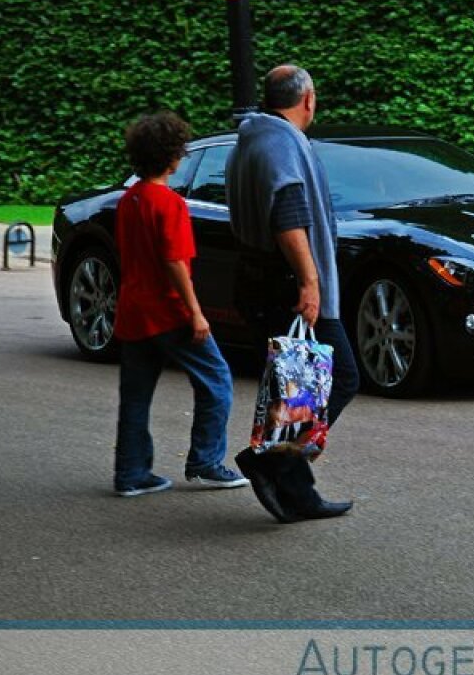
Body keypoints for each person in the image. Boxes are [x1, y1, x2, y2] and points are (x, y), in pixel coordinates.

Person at [225, 65, 360, 522]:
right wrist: (310, 279)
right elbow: (288, 211)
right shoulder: (281, 142)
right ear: (308, 99)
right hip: (286, 285)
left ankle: (296, 490)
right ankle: (272, 461)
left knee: (297, 388)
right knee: (339, 377)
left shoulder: (250, 139)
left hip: (258, 279)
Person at [112, 111, 249, 497]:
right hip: (168, 311)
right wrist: (195, 312)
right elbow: (175, 263)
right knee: (217, 380)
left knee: (136, 396)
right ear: (172, 156)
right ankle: (205, 461)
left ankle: (131, 472)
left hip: (133, 310)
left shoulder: (129, 201)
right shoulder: (169, 204)